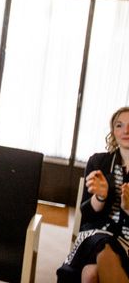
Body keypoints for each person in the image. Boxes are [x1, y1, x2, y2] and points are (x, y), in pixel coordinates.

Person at [57, 107, 129, 283]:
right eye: (119, 125)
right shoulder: (99, 162)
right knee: (104, 243)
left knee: (90, 274)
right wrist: (100, 197)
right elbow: (86, 215)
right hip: (96, 234)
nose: (126, 131)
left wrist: (128, 209)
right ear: (113, 131)